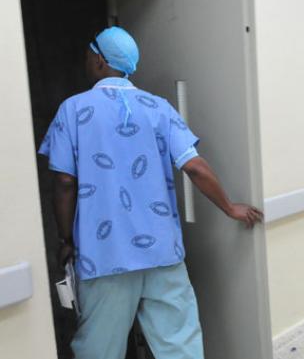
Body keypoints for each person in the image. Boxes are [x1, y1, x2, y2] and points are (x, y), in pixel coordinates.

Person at [37, 26, 263, 359]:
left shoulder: (72, 110)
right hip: (162, 252)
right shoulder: (158, 108)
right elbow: (195, 167)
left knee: (99, 349)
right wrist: (230, 208)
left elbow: (65, 183)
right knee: (180, 345)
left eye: (88, 53)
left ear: (99, 60)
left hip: (104, 256)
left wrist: (66, 240)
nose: (86, 59)